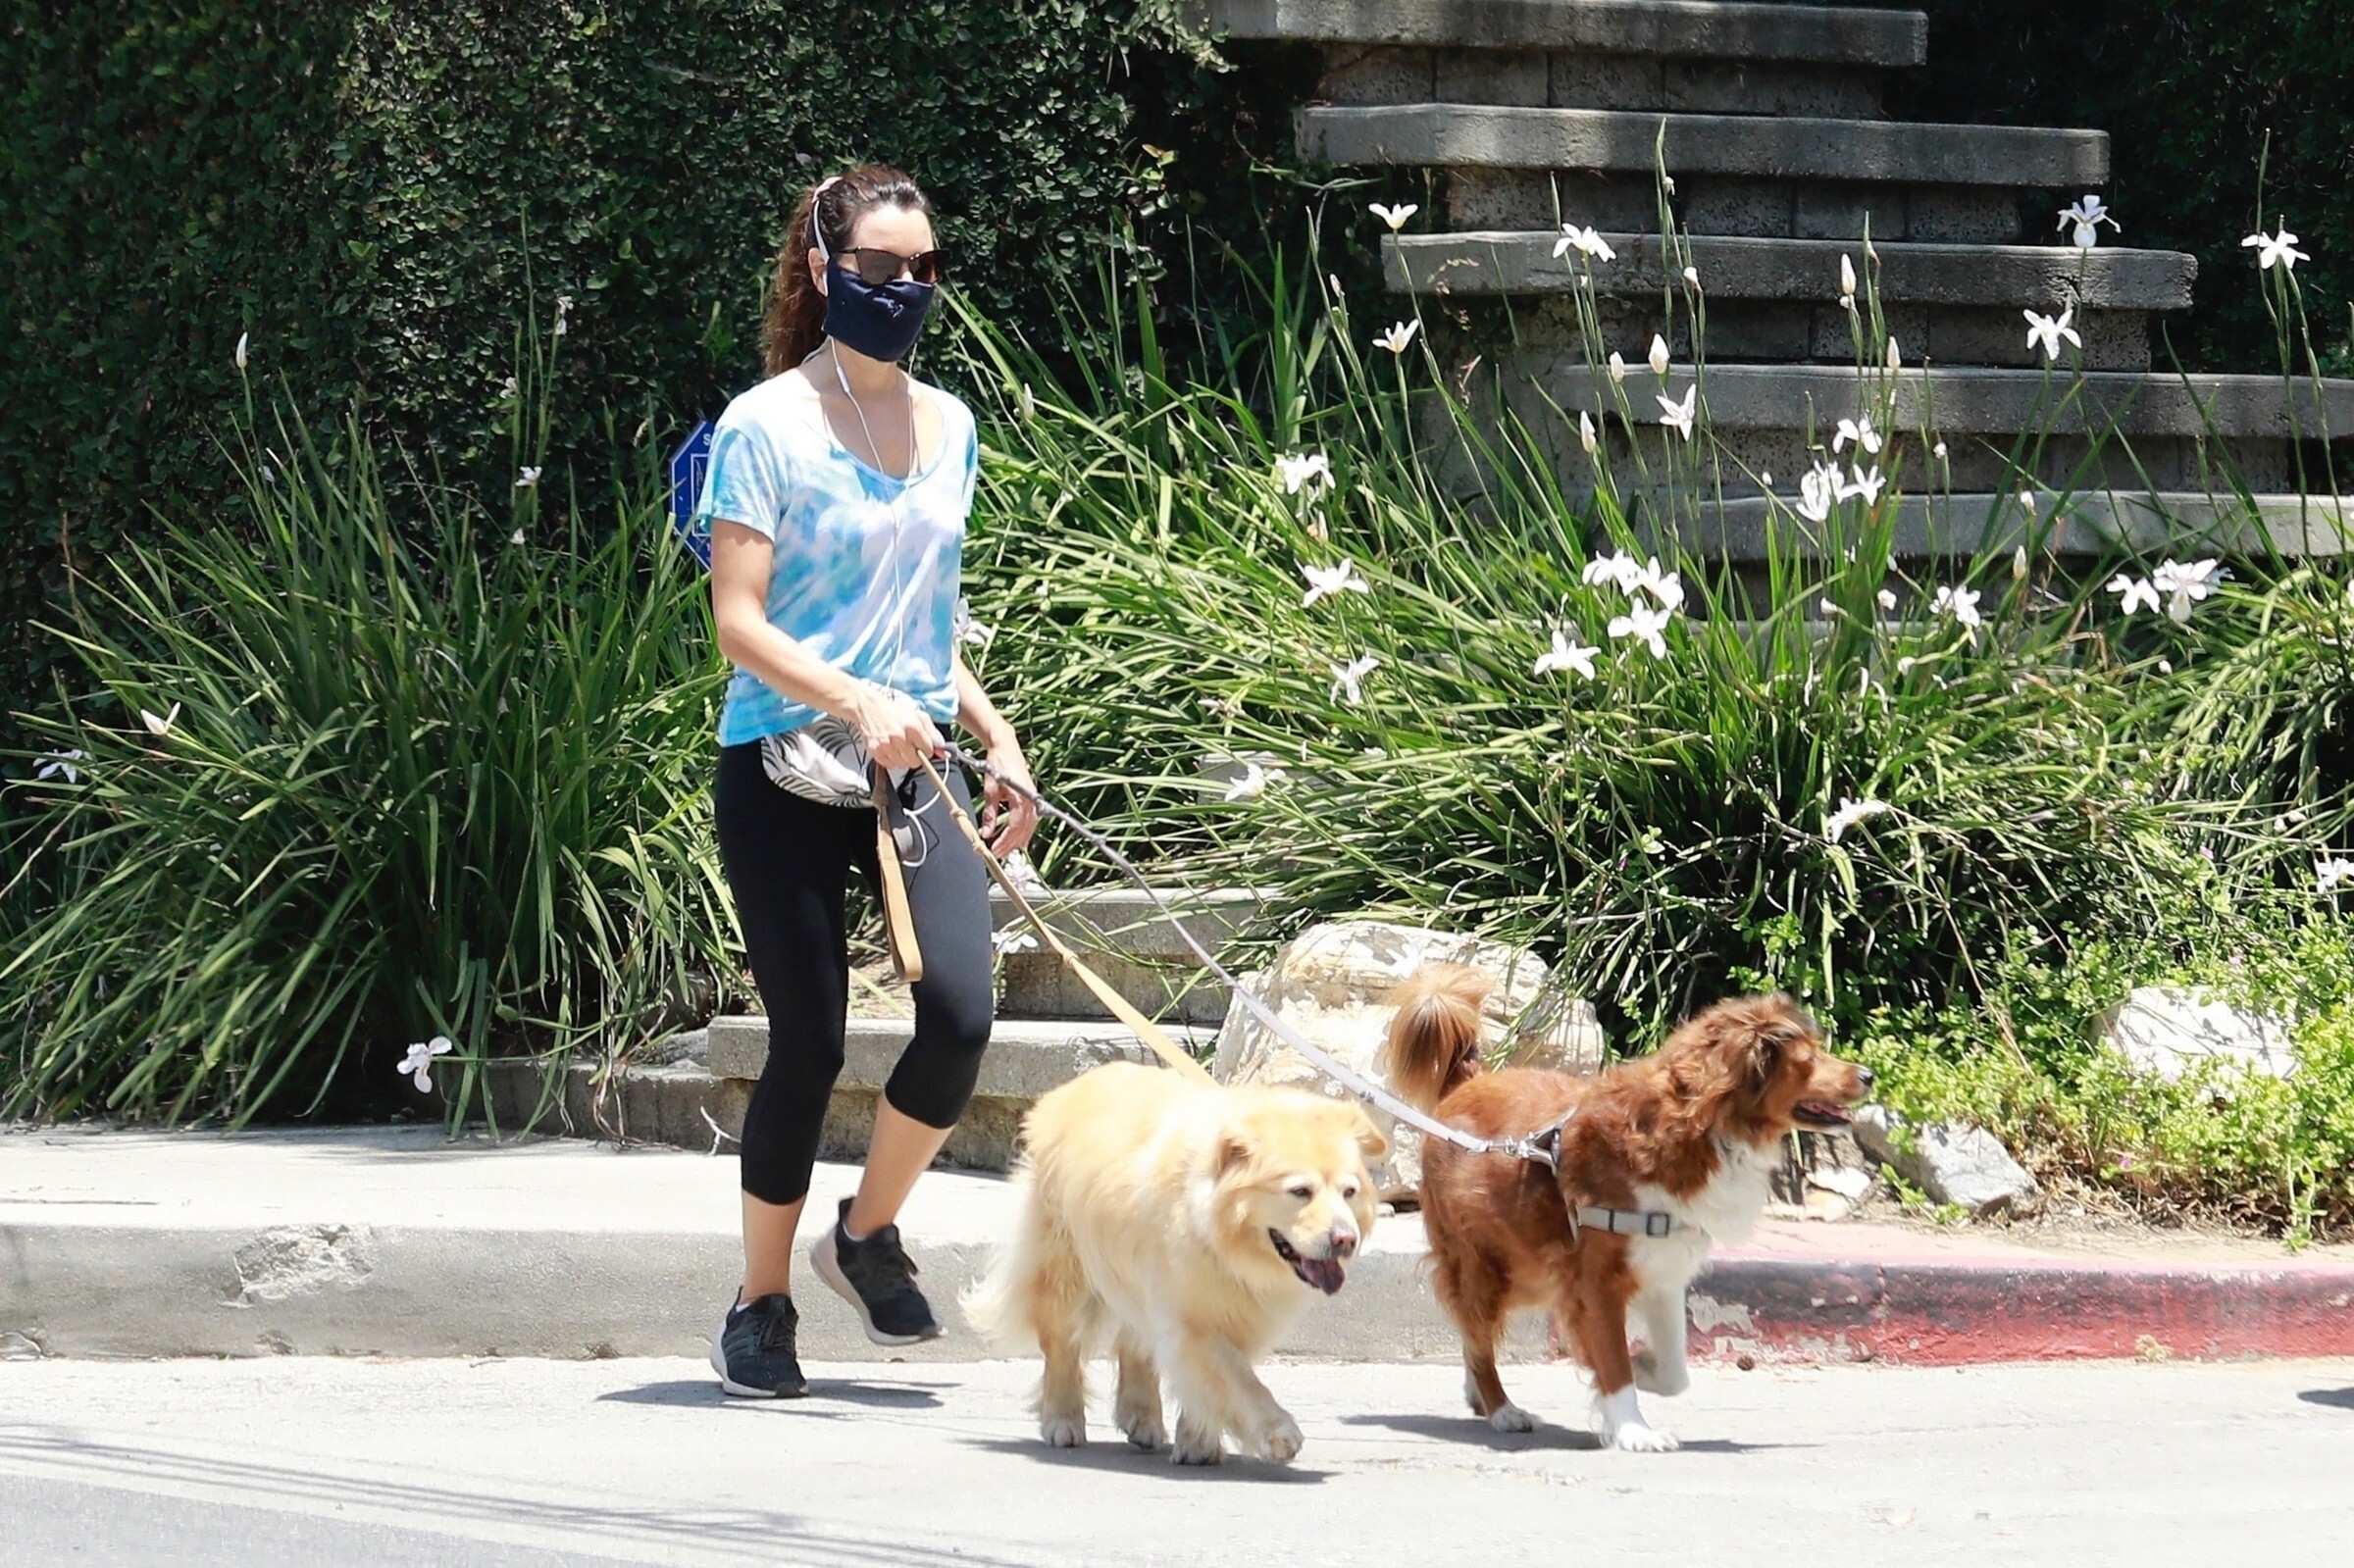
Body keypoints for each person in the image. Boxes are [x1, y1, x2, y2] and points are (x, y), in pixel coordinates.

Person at [696, 164, 1037, 1398]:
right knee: (810, 1040)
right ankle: (759, 1303)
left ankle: (865, 1233)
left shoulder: (952, 426)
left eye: (923, 268)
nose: (905, 287)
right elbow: (740, 622)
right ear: (823, 270)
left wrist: (993, 734)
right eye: (880, 268)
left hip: (914, 763)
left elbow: (924, 621)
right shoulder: (765, 424)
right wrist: (854, 700)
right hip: (783, 760)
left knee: (962, 1015)